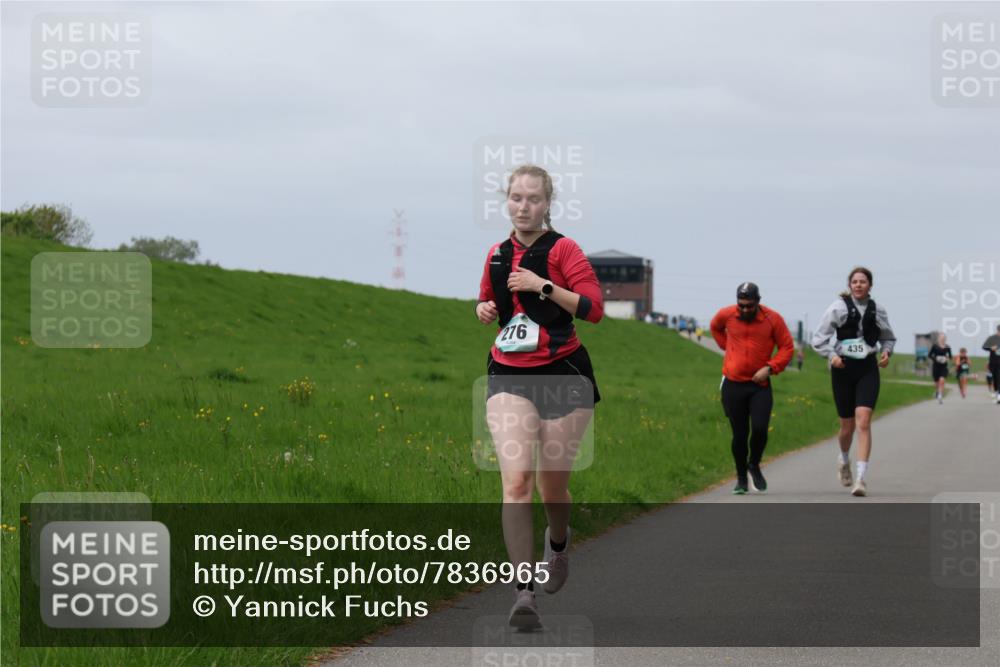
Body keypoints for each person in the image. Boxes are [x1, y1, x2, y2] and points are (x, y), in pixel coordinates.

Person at [476, 164, 603, 628]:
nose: (523, 206)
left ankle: (559, 540)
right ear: (505, 200)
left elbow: (593, 310)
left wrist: (543, 286)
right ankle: (523, 592)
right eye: (515, 198)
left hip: (564, 375)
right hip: (508, 374)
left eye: (532, 199)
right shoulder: (495, 254)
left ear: (548, 203)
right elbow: (490, 302)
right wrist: (483, 309)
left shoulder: (563, 249)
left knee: (553, 487)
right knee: (515, 484)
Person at [811, 267, 896, 497]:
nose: (858, 285)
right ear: (850, 285)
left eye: (863, 281)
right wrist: (832, 356)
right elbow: (818, 339)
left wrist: (887, 352)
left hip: (868, 367)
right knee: (846, 427)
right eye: (855, 281)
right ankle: (844, 458)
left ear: (870, 285)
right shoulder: (837, 308)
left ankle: (861, 478)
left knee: (864, 422)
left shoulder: (878, 310)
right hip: (843, 368)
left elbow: (888, 337)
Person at [710, 282, 795, 494]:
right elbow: (715, 327)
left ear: (758, 301)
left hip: (759, 385)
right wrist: (727, 347)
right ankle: (740, 479)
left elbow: (787, 347)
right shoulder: (727, 314)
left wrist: (770, 367)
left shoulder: (772, 319)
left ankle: (754, 464)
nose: (745, 309)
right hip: (733, 384)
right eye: (742, 305)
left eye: (749, 305)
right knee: (739, 435)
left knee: (759, 428)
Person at [928, 333, 953, 404]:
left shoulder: (948, 347)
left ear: (945, 339)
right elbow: (929, 355)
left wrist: (947, 358)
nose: (942, 339)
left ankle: (940, 395)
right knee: (936, 383)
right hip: (936, 366)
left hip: (944, 367)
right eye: (941, 338)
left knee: (942, 380)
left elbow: (950, 357)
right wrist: (936, 358)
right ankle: (937, 391)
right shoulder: (935, 346)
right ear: (938, 339)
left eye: (944, 338)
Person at [983, 325, 1000, 405]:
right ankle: (997, 393)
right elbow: (984, 347)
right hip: (993, 362)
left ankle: (998, 396)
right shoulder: (992, 338)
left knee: (999, 378)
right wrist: (990, 348)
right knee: (995, 379)